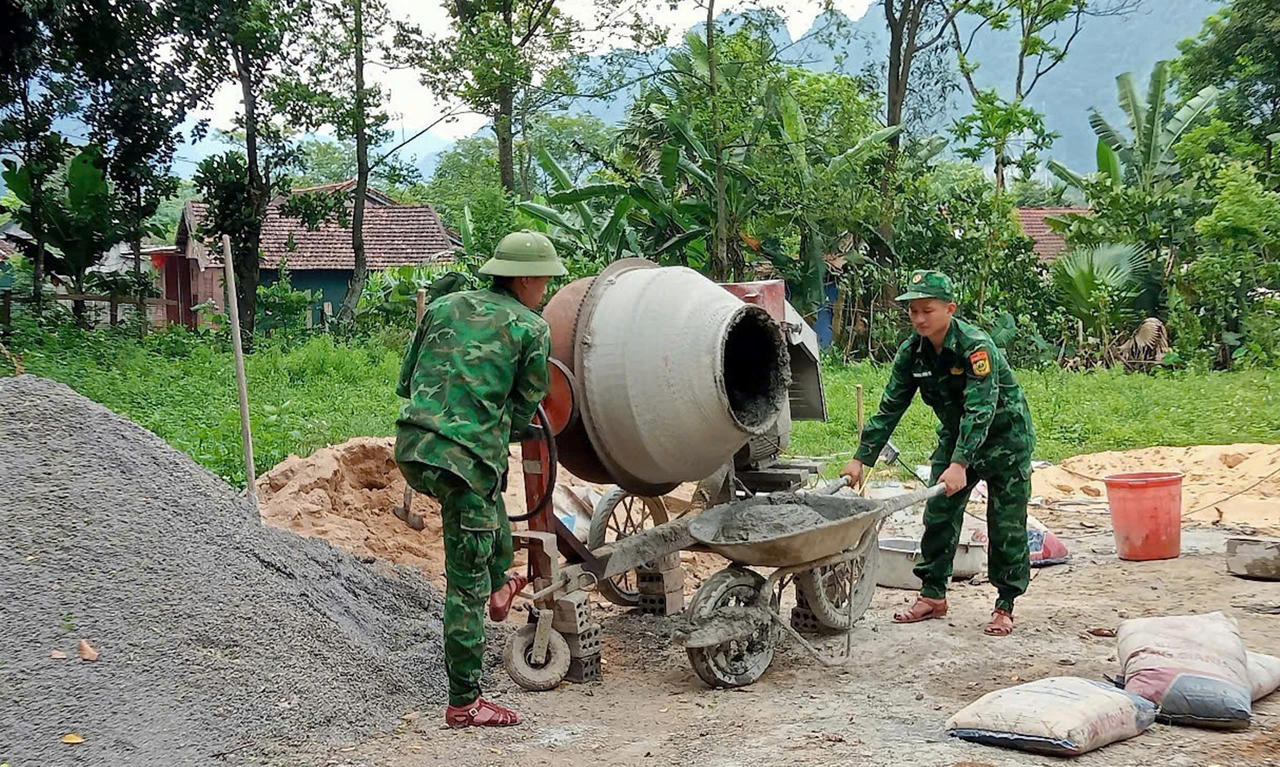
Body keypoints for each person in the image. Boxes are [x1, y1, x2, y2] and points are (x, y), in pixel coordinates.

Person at [394, 230, 566, 727]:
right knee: (461, 585)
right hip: (464, 465)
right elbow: (521, 411)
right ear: (526, 278)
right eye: (546, 281)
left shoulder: (444, 307)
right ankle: (465, 703)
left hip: (413, 447)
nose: (547, 291)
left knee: (491, 499)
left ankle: (499, 584)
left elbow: (406, 382)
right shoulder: (532, 329)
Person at [841, 270, 1034, 637]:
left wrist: (961, 463)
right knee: (940, 512)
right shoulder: (912, 353)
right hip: (956, 436)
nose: (918, 319)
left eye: (926, 310)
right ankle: (932, 595)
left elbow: (981, 409)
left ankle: (1005, 604)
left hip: (1005, 439)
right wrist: (861, 458)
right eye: (912, 311)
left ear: (950, 309)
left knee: (1005, 522)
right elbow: (890, 407)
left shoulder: (976, 347)